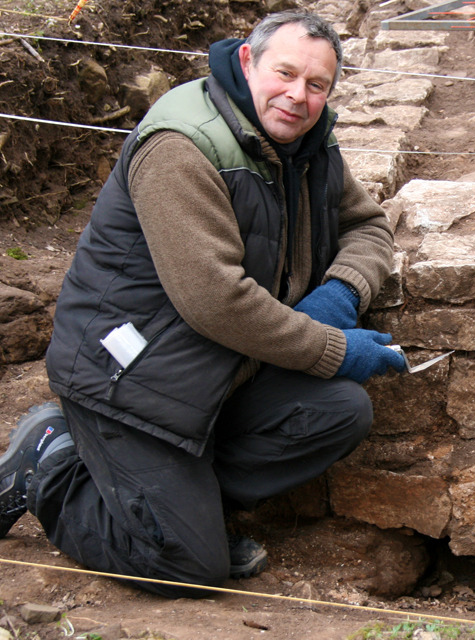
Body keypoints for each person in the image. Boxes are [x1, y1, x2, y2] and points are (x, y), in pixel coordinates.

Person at [0, 11, 406, 596]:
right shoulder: (183, 146)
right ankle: (54, 465)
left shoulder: (308, 141)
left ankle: (176, 511)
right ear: (247, 60)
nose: (298, 95)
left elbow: (367, 226)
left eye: (316, 85)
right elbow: (214, 300)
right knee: (189, 566)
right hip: (132, 378)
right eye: (285, 73)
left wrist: (341, 295)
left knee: (340, 412)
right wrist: (330, 346)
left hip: (221, 367)